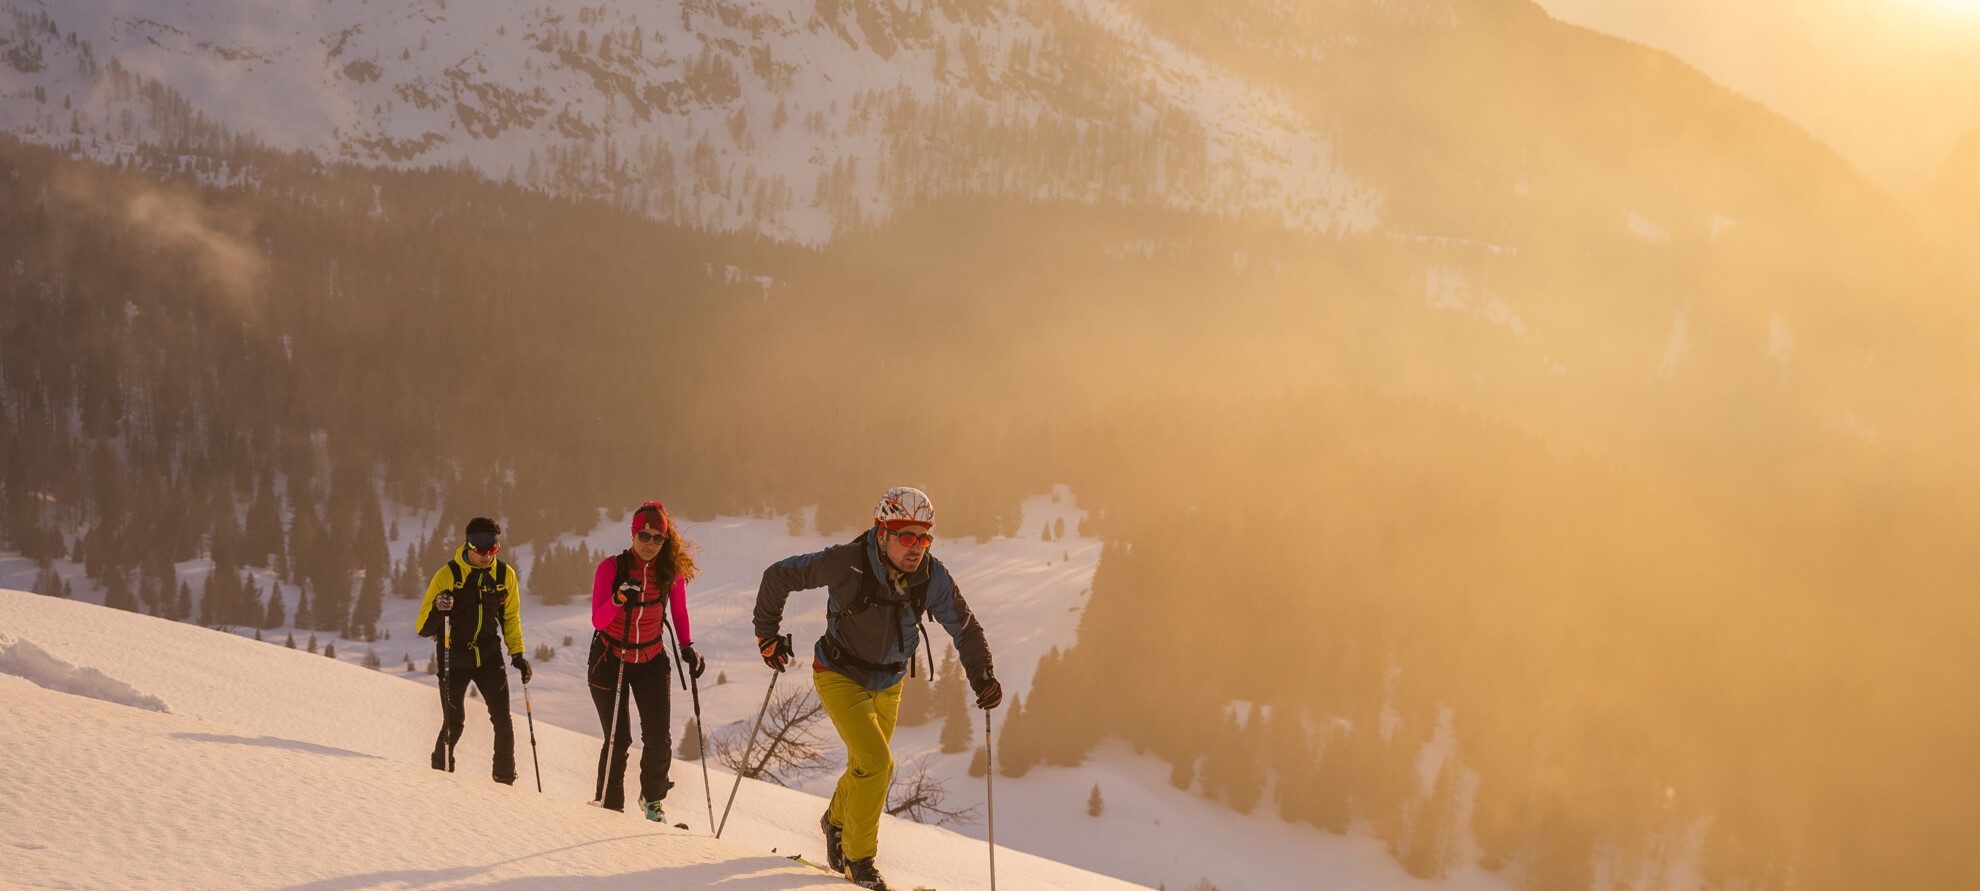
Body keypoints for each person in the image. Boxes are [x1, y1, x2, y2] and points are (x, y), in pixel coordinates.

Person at [754, 486, 1001, 891]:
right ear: (881, 530)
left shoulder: (931, 575)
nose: (917, 547)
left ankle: (834, 822)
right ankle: (859, 861)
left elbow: (966, 626)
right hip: (838, 673)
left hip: (890, 681)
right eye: (907, 536)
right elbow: (779, 575)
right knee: (877, 762)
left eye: (924, 537)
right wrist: (768, 635)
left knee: (868, 766)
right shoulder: (846, 562)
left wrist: (983, 674)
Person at [589, 501, 705, 822]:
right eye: (644, 535)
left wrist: (687, 648)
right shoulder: (611, 569)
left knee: (658, 739)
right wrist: (618, 598)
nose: (650, 544)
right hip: (610, 659)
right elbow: (598, 620)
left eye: (658, 538)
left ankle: (652, 802)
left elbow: (679, 612)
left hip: (652, 659)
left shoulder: (670, 572)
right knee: (618, 737)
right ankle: (609, 807)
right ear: (632, 533)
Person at [417, 516, 530, 784]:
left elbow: (510, 617)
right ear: (468, 546)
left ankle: (504, 781)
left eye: (492, 549)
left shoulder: (504, 575)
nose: (487, 556)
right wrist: (437, 608)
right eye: (481, 550)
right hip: (453, 656)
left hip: (489, 655)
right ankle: (440, 775)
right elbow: (423, 627)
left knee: (503, 721)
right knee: (454, 723)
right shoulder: (448, 575)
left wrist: (518, 655)